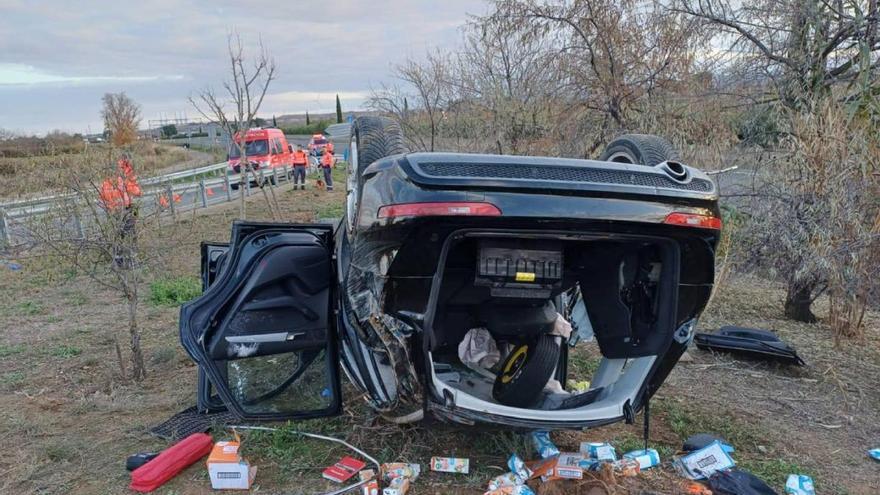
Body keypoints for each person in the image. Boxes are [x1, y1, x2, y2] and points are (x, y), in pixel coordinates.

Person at [99, 155, 142, 266]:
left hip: (116, 212)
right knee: (129, 234)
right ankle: (131, 259)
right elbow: (137, 192)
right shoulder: (125, 179)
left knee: (119, 235)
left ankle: (119, 259)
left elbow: (102, 199)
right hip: (126, 210)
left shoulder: (106, 182)